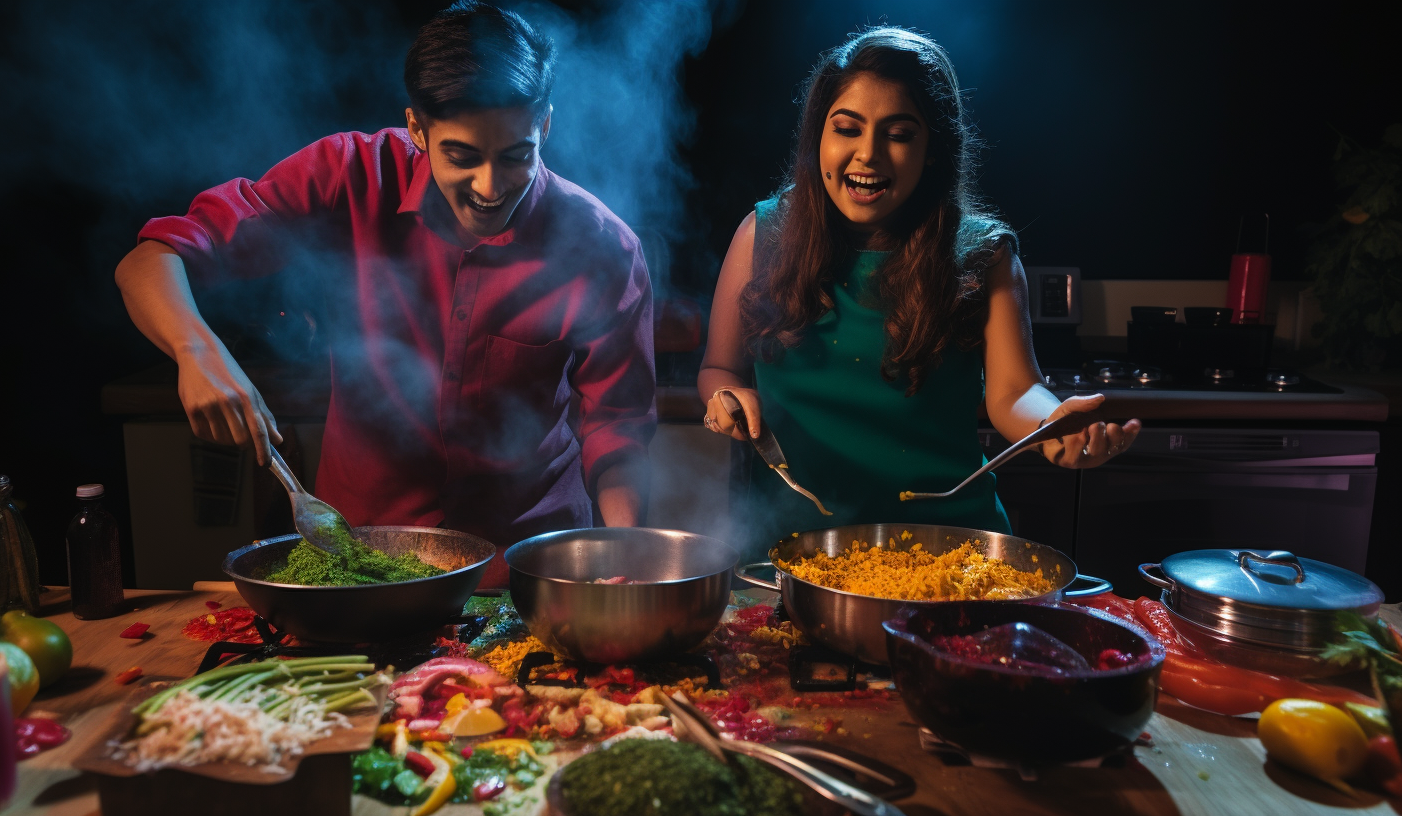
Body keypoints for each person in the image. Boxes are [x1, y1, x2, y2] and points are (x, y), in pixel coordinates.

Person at [116, 1, 655, 585]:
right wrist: (197, 350)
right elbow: (151, 260)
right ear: (418, 128)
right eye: (462, 156)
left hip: (527, 568)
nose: (490, 187)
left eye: (516, 156)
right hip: (360, 563)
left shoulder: (603, 248)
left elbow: (617, 426)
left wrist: (623, 547)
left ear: (544, 124)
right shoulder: (346, 174)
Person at [699, 27, 1140, 555]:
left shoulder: (984, 254)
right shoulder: (761, 236)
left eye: (899, 134)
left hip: (951, 549)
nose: (868, 155)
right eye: (847, 129)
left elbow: (1015, 393)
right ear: (820, 134)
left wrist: (1052, 425)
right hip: (794, 553)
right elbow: (719, 370)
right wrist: (725, 398)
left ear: (933, 149)